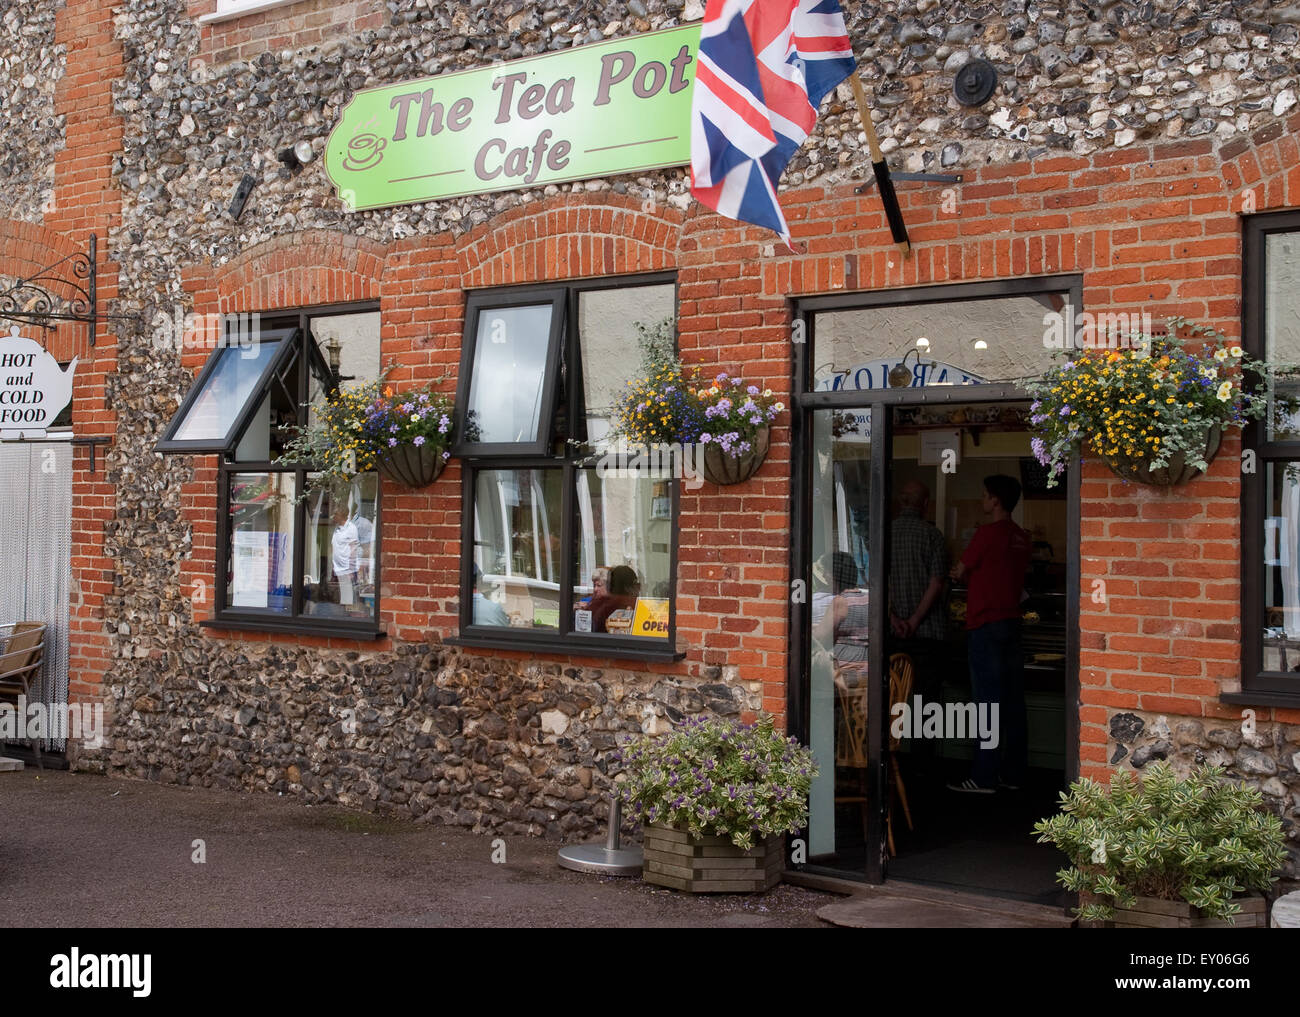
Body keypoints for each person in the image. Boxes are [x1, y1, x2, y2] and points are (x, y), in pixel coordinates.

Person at [947, 474, 1032, 794]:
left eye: (984, 495)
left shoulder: (986, 534)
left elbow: (960, 570)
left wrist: (958, 573)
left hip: (984, 625)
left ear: (995, 500)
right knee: (1013, 703)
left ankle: (983, 777)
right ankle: (1014, 774)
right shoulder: (1022, 537)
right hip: (1011, 623)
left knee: (987, 703)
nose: (982, 500)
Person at [889, 480, 948, 692]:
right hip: (928, 633)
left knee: (894, 699)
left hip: (892, 633)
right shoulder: (933, 535)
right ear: (925, 503)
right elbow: (937, 583)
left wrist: (894, 620)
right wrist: (914, 622)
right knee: (927, 702)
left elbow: (873, 582)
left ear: (901, 502)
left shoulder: (882, 535)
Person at [330, 502, 361, 612]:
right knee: (339, 598)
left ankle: (347, 617)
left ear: (342, 515)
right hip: (337, 569)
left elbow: (353, 549)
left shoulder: (351, 528)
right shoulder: (337, 529)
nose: (333, 516)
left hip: (346, 570)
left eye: (335, 514)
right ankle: (340, 614)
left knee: (347, 599)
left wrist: (351, 570)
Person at [589, 564, 639, 633]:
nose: (595, 589)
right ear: (628, 587)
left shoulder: (606, 606)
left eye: (599, 585)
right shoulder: (605, 607)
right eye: (594, 585)